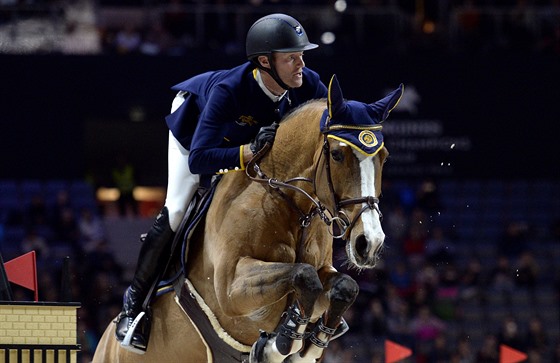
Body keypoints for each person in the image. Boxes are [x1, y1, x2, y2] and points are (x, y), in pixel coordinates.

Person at [115, 13, 328, 354]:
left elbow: (338, 117)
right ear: (265, 61)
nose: (301, 63)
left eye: (302, 55)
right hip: (195, 131)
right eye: (291, 57)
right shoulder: (230, 92)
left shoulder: (309, 83)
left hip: (242, 143)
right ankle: (135, 307)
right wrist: (247, 152)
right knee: (177, 209)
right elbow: (200, 159)